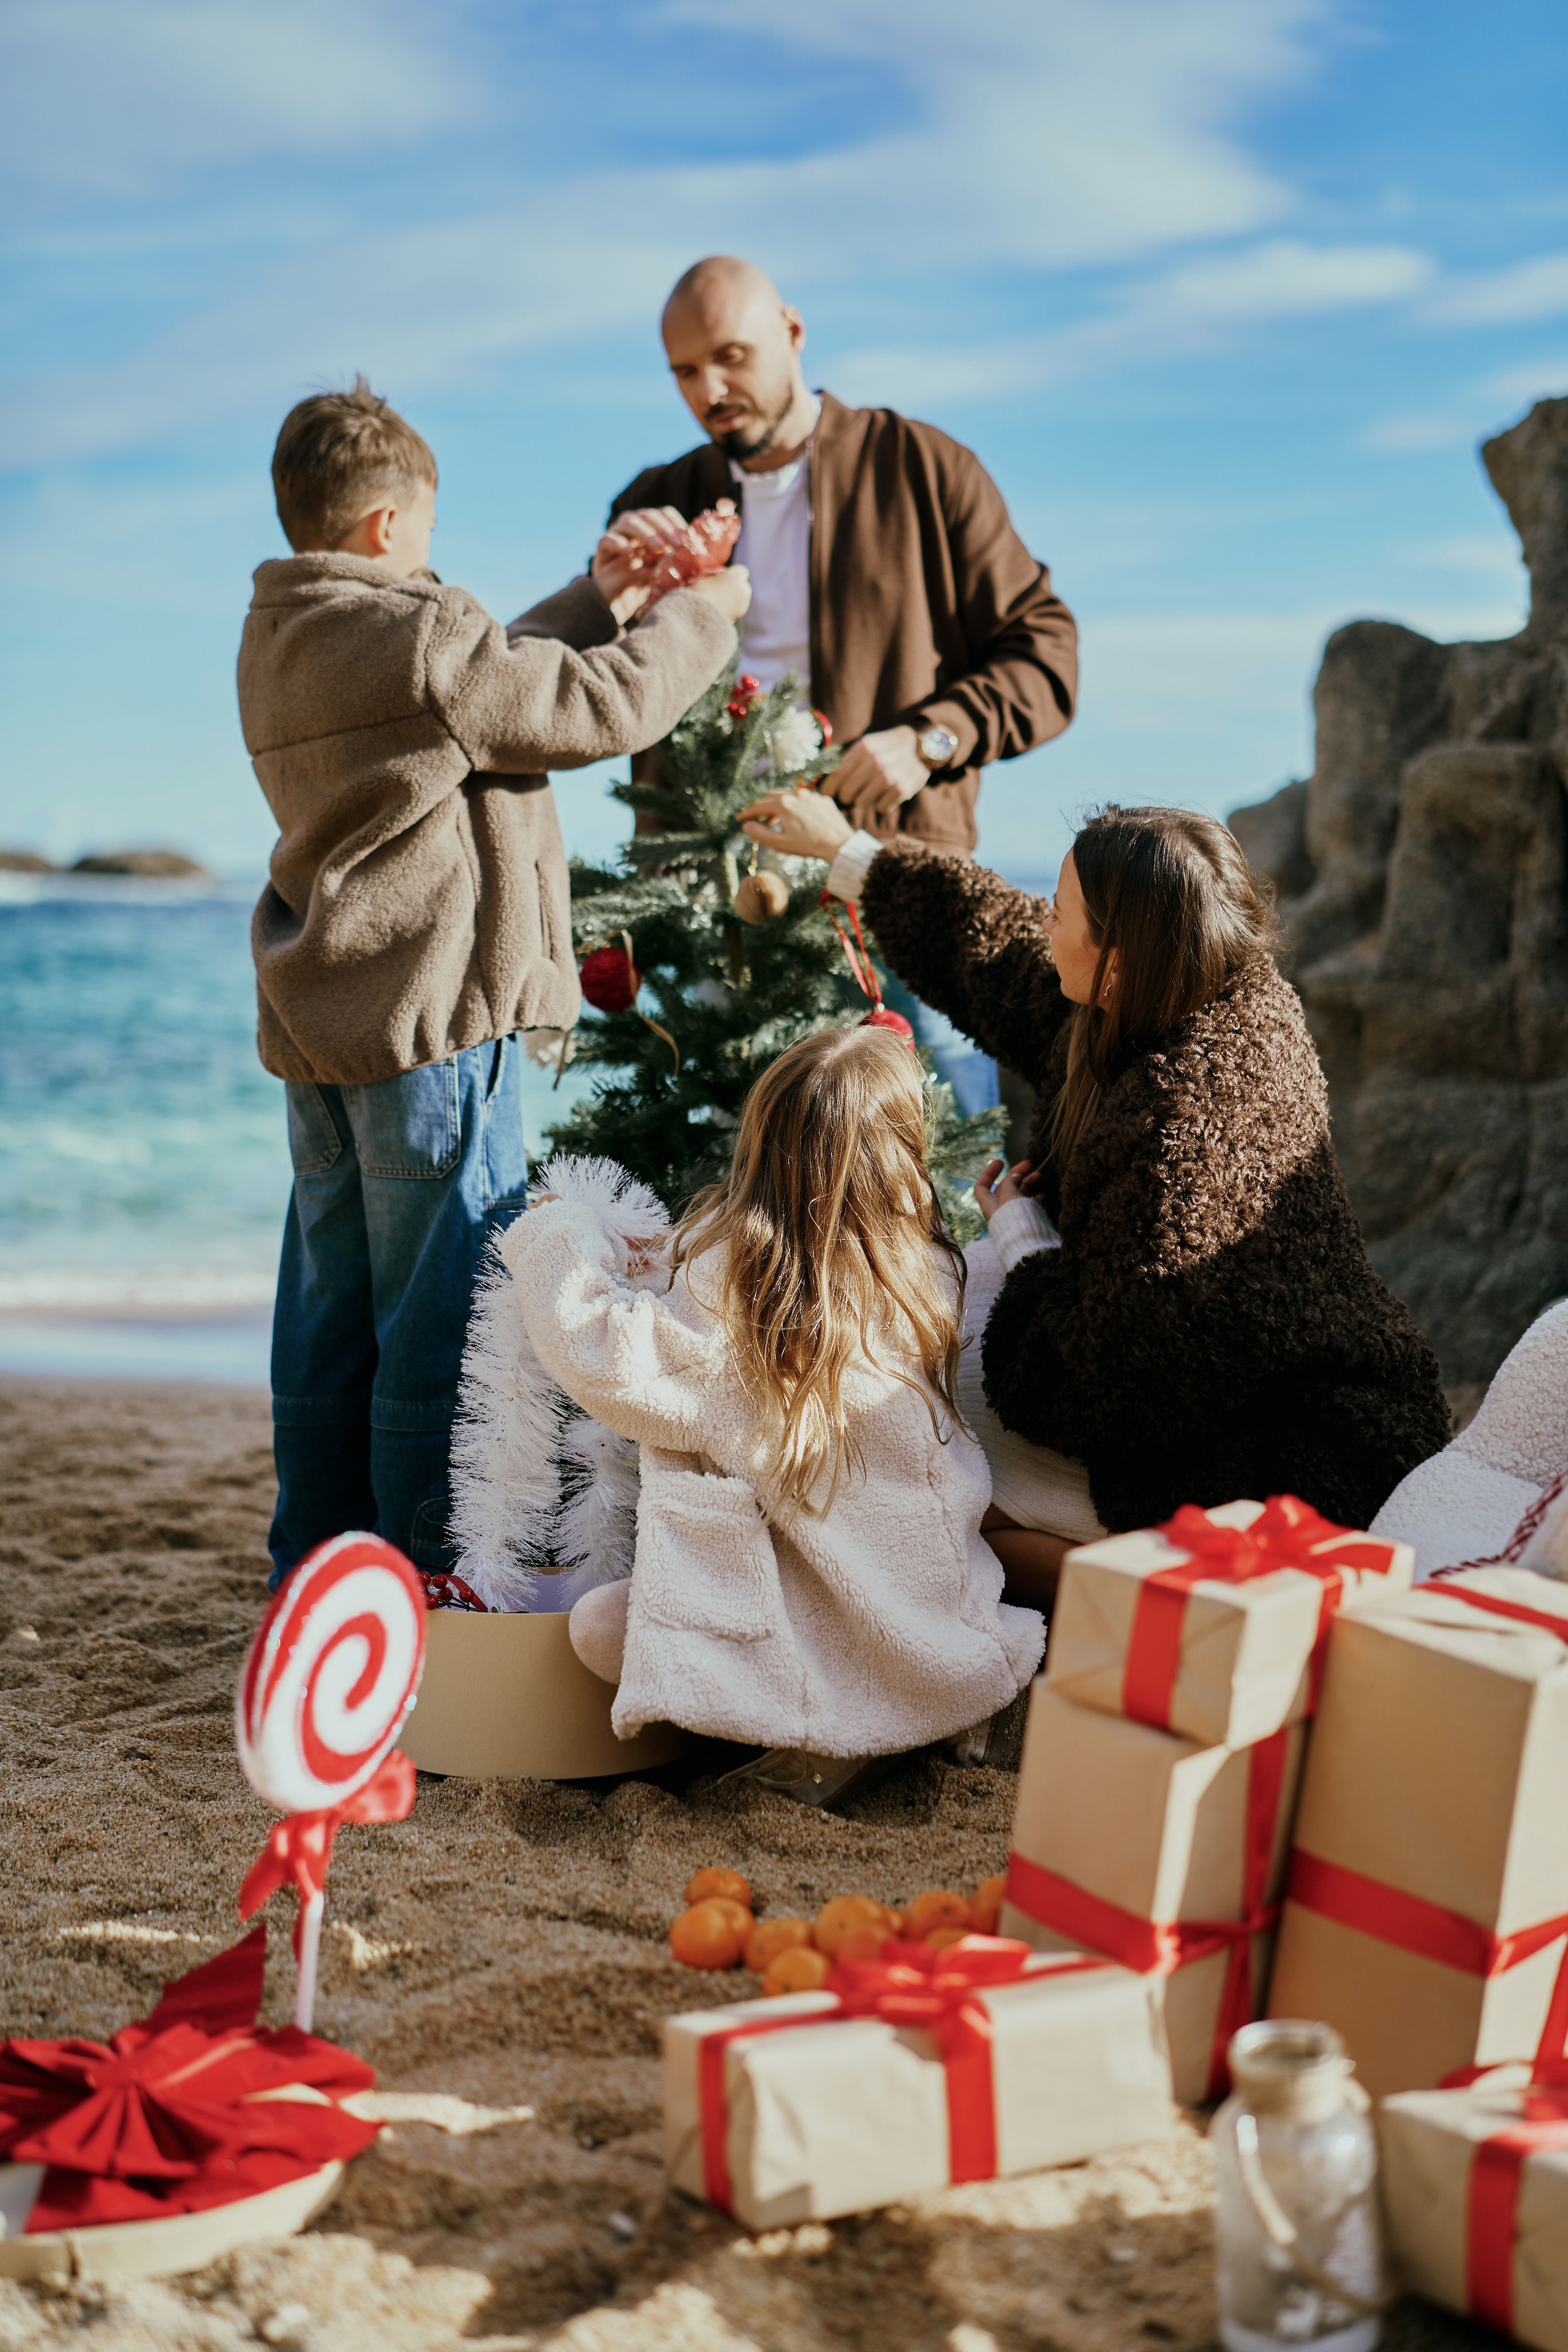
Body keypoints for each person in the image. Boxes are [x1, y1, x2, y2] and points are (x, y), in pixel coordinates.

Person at [238, 378, 748, 1587]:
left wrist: (599, 592)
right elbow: (590, 705)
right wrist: (697, 615)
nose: (428, 556)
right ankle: (427, 1571)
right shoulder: (418, 634)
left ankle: (315, 1570)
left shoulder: (282, 634)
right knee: (442, 1325)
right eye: (423, 533)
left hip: (322, 1028)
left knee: (328, 1316)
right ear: (383, 531)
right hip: (432, 1032)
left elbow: (468, 686)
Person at [739, 788, 1453, 1607]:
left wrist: (1023, 1241)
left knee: (929, 1477)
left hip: (1298, 1463)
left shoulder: (1189, 1128)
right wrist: (849, 856)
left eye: (1061, 910)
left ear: (1115, 960)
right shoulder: (1188, 990)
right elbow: (996, 950)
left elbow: (1098, 1388)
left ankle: (1122, 1623)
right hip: (1229, 1391)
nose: (1043, 920)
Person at [497, 1027, 1045, 1798]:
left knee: (598, 1629)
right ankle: (905, 1719)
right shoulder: (923, 1275)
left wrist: (560, 1232)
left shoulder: (737, 1303)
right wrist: (1015, 1221)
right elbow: (1013, 1286)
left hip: (801, 1646)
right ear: (899, 1165)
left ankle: (830, 1729)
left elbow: (600, 1349)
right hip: (940, 1628)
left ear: (758, 1147)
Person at [602, 253, 1078, 1115]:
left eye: (732, 356)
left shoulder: (925, 470)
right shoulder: (659, 500)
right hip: (717, 906)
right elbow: (606, 697)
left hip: (890, 885)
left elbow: (1047, 653)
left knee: (945, 1166)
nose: (710, 389)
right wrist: (609, 595)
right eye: (684, 371)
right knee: (720, 1181)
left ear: (792, 332)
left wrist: (931, 739)